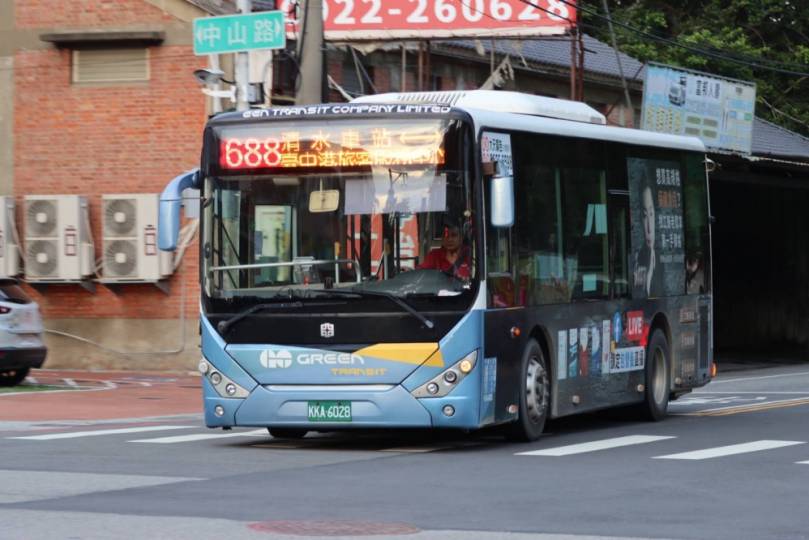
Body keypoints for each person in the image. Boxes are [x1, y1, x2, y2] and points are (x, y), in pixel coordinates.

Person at [634, 179, 664, 297]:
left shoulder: (661, 258)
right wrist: (648, 277)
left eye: (651, 214)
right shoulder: (639, 259)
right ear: (640, 219)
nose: (649, 228)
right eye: (645, 216)